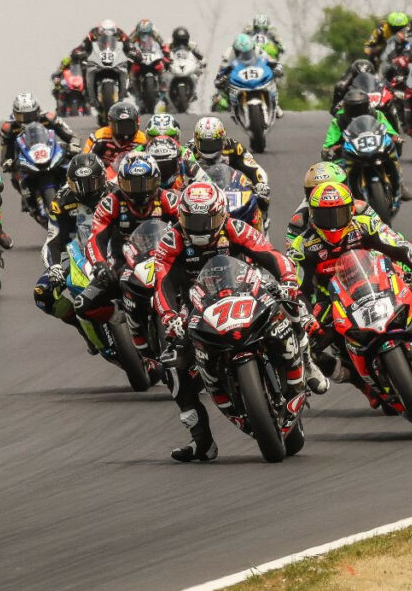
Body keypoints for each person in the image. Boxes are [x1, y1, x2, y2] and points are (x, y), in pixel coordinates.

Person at [152, 182, 325, 462]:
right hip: (198, 306)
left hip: (247, 289)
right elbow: (161, 284)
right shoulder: (171, 241)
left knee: (292, 304)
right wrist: (169, 317)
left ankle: (309, 359)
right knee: (172, 367)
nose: (198, 227)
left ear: (220, 215)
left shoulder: (236, 229)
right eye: (191, 220)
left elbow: (270, 255)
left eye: (205, 220)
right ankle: (202, 443)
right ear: (181, 217)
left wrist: (289, 281)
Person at [288, 182, 412, 398]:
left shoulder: (365, 224)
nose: (332, 223)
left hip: (380, 277)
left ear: (350, 211)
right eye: (324, 216)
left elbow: (400, 245)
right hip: (332, 298)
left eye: (337, 214)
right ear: (311, 215)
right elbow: (297, 288)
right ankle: (360, 383)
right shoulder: (302, 246)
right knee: (304, 345)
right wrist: (306, 317)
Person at [76, 155, 179, 340]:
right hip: (123, 263)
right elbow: (95, 238)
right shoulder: (110, 203)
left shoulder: (170, 200)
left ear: (156, 180)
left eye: (145, 183)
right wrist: (100, 265)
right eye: (133, 185)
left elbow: (188, 230)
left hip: (165, 260)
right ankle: (117, 321)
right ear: (121, 183)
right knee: (83, 305)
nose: (139, 191)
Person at [34, 153, 109, 351]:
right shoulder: (61, 201)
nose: (85, 191)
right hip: (76, 250)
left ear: (102, 179)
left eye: (91, 183)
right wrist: (55, 267)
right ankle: (80, 326)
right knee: (42, 294)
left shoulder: (116, 193)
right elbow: (54, 238)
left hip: (112, 248)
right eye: (79, 185)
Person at [321, 89, 412, 201]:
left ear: (367, 105)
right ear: (346, 107)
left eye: (360, 107)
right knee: (336, 171)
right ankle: (343, 197)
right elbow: (330, 140)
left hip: (375, 147)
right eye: (353, 108)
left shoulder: (377, 114)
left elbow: (388, 129)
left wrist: (395, 137)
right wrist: (330, 148)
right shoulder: (339, 120)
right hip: (351, 151)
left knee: (392, 157)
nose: (357, 111)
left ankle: (400, 186)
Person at [184, 116, 270, 217]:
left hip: (229, 189)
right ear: (196, 140)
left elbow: (253, 167)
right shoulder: (188, 151)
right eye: (205, 144)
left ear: (223, 139)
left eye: (214, 143)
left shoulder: (234, 147)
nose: (209, 148)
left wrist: (260, 184)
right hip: (199, 194)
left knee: (262, 199)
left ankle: (262, 222)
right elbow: (179, 172)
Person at [0, 92, 81, 179]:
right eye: (21, 116)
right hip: (24, 160)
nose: (27, 119)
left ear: (37, 111)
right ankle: (25, 189)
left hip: (51, 153)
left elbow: (71, 135)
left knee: (73, 165)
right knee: (15, 176)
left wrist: (73, 144)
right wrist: (7, 162)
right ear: (15, 114)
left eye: (30, 115)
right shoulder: (8, 127)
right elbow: (5, 152)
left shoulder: (49, 117)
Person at [212, 34, 284, 118]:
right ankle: (232, 106)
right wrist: (221, 79)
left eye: (248, 52)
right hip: (238, 75)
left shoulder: (258, 50)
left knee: (270, 80)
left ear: (252, 48)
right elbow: (221, 72)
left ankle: (275, 104)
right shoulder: (228, 54)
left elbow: (271, 61)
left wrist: (277, 68)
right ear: (235, 50)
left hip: (255, 72)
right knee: (222, 91)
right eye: (241, 53)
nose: (245, 55)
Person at [285, 161, 351, 246]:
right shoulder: (299, 219)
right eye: (319, 190)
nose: (328, 194)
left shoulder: (357, 205)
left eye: (333, 189)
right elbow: (292, 252)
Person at [82, 101, 147, 176]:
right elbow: (85, 160)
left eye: (129, 124)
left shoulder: (142, 140)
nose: (125, 129)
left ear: (137, 122)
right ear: (111, 124)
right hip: (103, 178)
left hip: (132, 177)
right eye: (121, 125)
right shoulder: (99, 137)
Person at [141, 135, 206, 191]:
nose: (164, 170)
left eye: (168, 166)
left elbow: (209, 185)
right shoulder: (141, 172)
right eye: (158, 166)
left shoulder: (190, 168)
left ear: (179, 161)